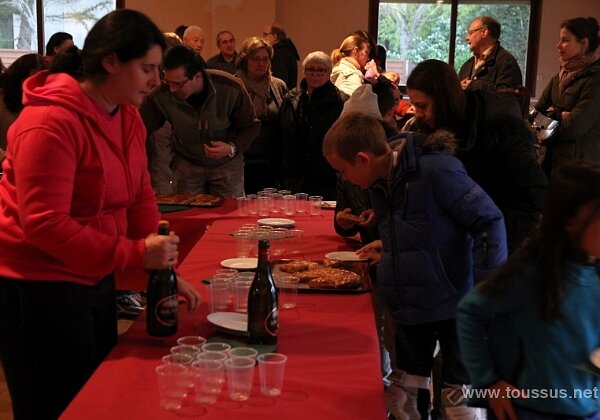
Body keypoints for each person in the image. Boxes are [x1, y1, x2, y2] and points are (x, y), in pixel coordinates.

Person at [0, 9, 201, 419]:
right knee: (55, 405)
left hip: (92, 274)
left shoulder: (126, 113)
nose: (156, 81)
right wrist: (135, 256)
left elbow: (140, 197)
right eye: (147, 68)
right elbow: (45, 226)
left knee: (95, 399)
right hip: (38, 288)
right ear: (110, 62)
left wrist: (160, 268)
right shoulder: (48, 123)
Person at [323, 113, 507, 420]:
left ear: (362, 159)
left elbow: (489, 220)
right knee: (407, 401)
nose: (343, 179)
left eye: (342, 171)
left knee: (459, 400)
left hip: (454, 303)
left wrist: (486, 286)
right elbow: (413, 229)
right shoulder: (380, 182)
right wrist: (388, 249)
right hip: (409, 305)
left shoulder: (436, 170)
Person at [457, 160, 600, 420]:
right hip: (531, 410)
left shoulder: (595, 274)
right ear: (570, 220)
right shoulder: (533, 273)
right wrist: (489, 382)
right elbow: (470, 311)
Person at [405, 59, 547, 253]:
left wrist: (493, 243)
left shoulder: (498, 127)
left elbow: (532, 195)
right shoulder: (434, 128)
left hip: (495, 243)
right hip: (458, 243)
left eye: (422, 106)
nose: (418, 114)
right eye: (414, 106)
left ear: (444, 99)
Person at [140, 45, 260, 197]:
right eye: (167, 82)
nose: (171, 89)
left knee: (228, 216)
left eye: (178, 84)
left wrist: (231, 148)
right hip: (187, 164)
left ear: (197, 76)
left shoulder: (230, 87)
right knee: (187, 216)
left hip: (226, 166)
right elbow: (140, 128)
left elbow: (251, 126)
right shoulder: (161, 95)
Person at [535, 17, 600, 173]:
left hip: (579, 168)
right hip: (549, 162)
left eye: (565, 40)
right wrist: (560, 115)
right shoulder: (559, 77)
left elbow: (573, 129)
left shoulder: (595, 80)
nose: (558, 46)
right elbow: (534, 115)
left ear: (584, 43)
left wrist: (551, 114)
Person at [279, 51, 347, 198]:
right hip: (295, 172)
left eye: (321, 70)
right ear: (304, 71)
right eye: (310, 69)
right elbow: (281, 135)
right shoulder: (291, 98)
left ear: (329, 72)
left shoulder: (340, 101)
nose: (315, 74)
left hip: (326, 173)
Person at [235, 37, 287, 193]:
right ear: (245, 59)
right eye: (256, 59)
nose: (261, 63)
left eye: (265, 59)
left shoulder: (277, 86)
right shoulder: (235, 84)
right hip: (241, 159)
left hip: (271, 161)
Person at [0, 53, 46, 162]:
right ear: (18, 78)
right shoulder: (2, 100)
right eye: (31, 80)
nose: (34, 86)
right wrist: (4, 158)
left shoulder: (41, 103)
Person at [458, 16, 523, 92]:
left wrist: (474, 85)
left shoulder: (506, 62)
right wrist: (458, 87)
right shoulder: (467, 65)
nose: (467, 38)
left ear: (484, 32)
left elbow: (508, 97)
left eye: (470, 33)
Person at [263, 22, 299, 89]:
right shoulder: (286, 51)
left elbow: (278, 82)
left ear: (275, 36)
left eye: (265, 34)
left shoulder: (281, 54)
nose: (263, 38)